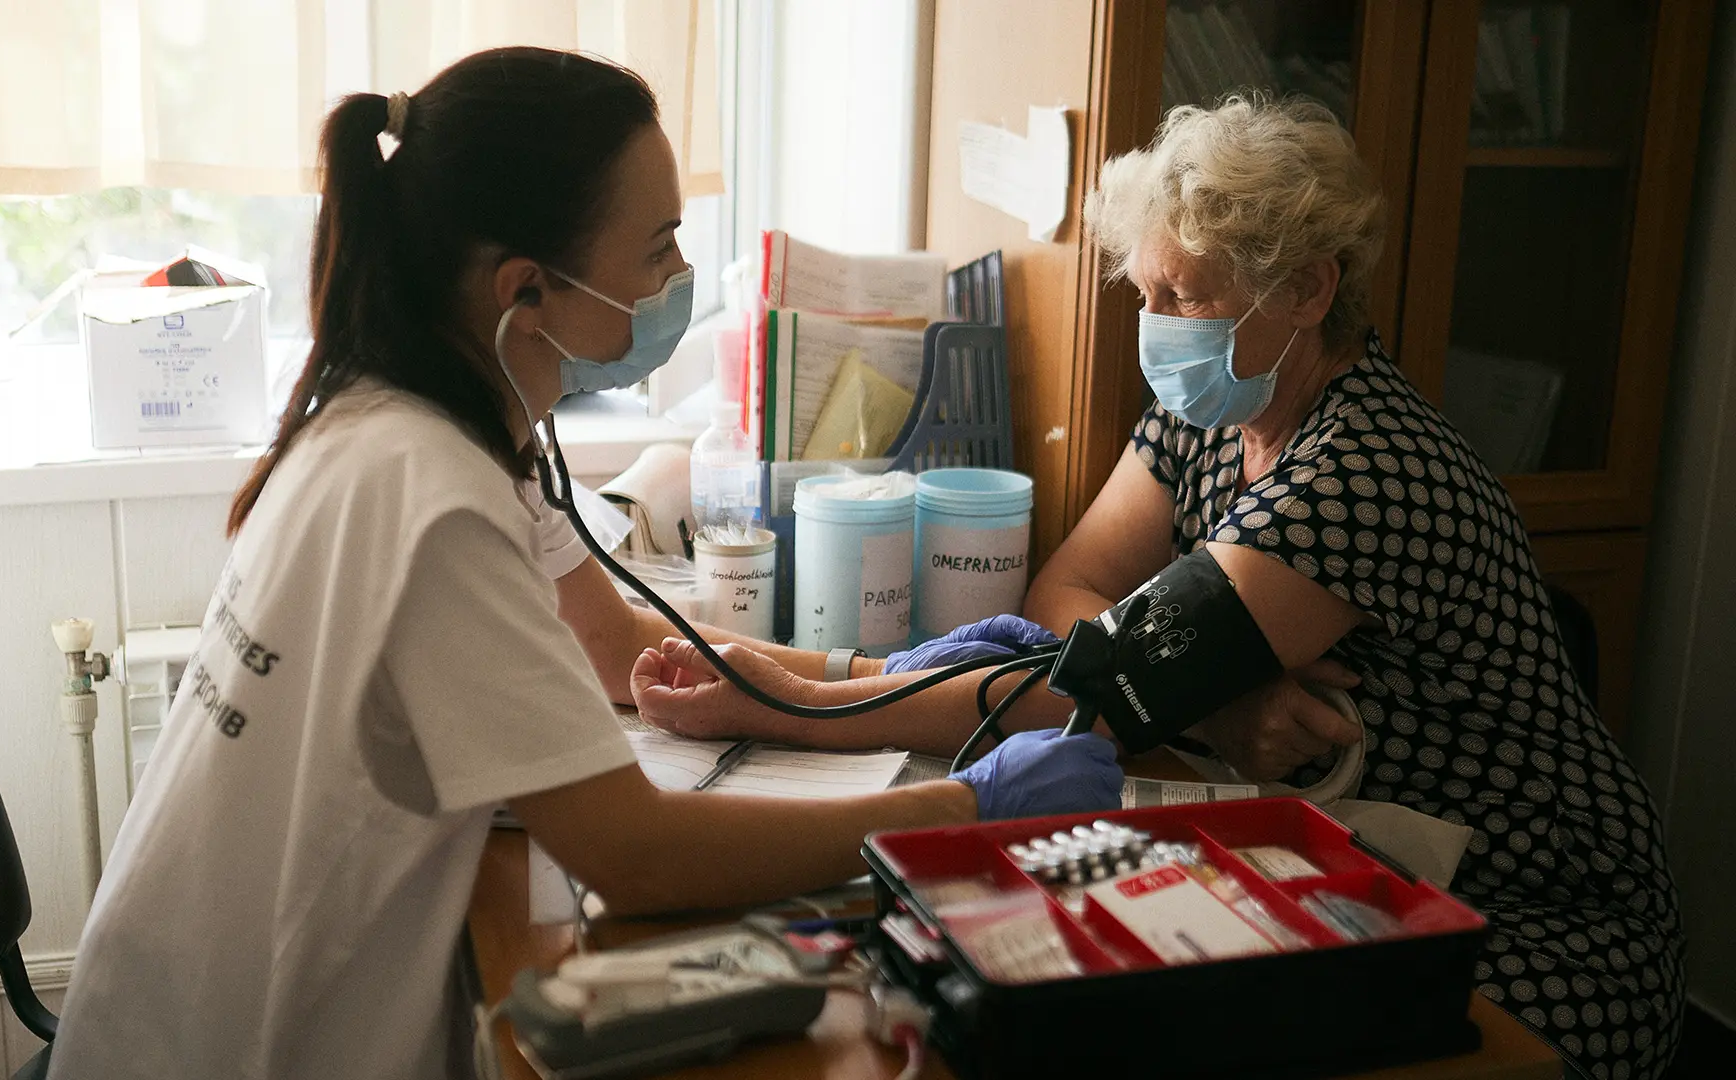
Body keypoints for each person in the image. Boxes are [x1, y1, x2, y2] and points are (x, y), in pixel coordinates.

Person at [45, 49, 1123, 1080]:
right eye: (657, 245)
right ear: (527, 291)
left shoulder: (428, 415)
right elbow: (633, 854)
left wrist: (880, 674)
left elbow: (613, 644)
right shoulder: (433, 493)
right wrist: (965, 813)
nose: (682, 274)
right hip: (232, 1045)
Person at [636, 97, 1682, 1079]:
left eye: (1185, 295)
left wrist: (799, 704)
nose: (1157, 322)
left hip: (1525, 923)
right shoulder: (1217, 411)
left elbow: (1092, 680)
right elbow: (1073, 590)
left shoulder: (1363, 471)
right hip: (1341, 867)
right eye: (1147, 291)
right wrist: (1206, 694)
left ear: (1309, 290)